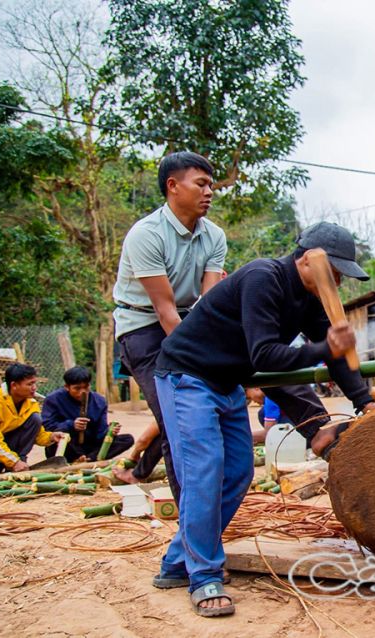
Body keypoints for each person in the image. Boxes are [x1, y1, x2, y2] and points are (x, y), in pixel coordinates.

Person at [151, 222, 375, 617]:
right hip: (186, 376)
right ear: (308, 260)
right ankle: (204, 575)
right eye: (335, 272)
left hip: (224, 383)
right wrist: (326, 346)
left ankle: (176, 561)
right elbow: (265, 355)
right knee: (205, 468)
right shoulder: (263, 278)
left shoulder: (310, 297)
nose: (338, 282)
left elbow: (336, 355)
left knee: (238, 472)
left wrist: (364, 402)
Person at [110, 151, 227, 492]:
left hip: (190, 319)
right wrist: (201, 358)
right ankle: (190, 518)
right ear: (173, 186)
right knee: (177, 419)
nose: (209, 192)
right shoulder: (146, 234)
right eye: (201, 184)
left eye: (211, 185)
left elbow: (208, 303)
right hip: (143, 327)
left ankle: (202, 507)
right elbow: (164, 311)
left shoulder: (214, 235)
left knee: (202, 411)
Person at [42, 366, 134, 462]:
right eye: (77, 388)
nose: (82, 392)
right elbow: (47, 426)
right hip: (68, 446)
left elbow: (100, 434)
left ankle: (88, 459)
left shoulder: (99, 401)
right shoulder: (53, 399)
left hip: (90, 446)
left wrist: (110, 432)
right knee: (59, 440)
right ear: (67, 387)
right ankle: (82, 459)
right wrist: (71, 425)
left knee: (127, 439)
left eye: (86, 387)